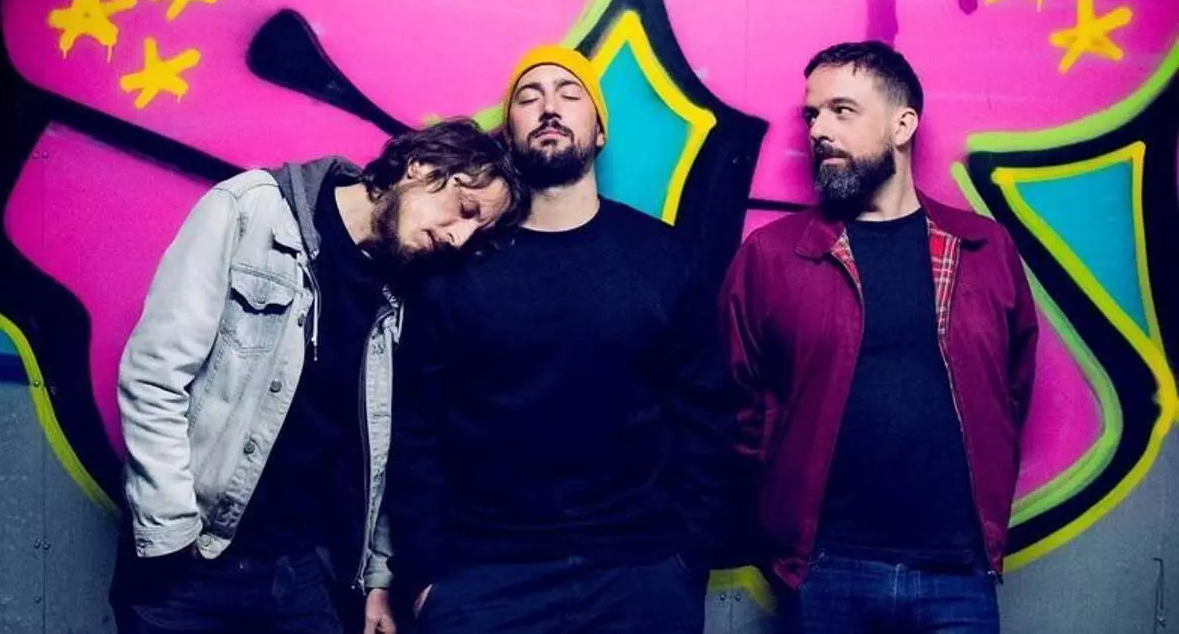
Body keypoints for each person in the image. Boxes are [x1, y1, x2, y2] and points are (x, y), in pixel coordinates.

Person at [112, 118, 525, 634]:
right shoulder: (254, 212)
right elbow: (154, 376)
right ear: (421, 166)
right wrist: (173, 535)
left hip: (296, 569)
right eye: (464, 210)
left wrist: (378, 578)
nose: (458, 238)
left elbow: (391, 445)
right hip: (191, 561)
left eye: (476, 234)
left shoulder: (404, 294)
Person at [387, 46, 733, 634]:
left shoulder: (662, 256)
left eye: (570, 94)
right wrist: (425, 580)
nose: (549, 107)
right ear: (509, 132)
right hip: (485, 578)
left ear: (599, 132)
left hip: (639, 573)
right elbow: (417, 426)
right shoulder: (458, 259)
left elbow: (705, 414)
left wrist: (686, 559)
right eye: (530, 97)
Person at [719, 41, 1039, 633]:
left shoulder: (984, 250)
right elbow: (738, 404)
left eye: (842, 110)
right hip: (825, 569)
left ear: (902, 124)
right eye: (812, 114)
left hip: (958, 572)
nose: (819, 130)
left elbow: (1011, 390)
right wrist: (778, 520)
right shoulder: (771, 256)